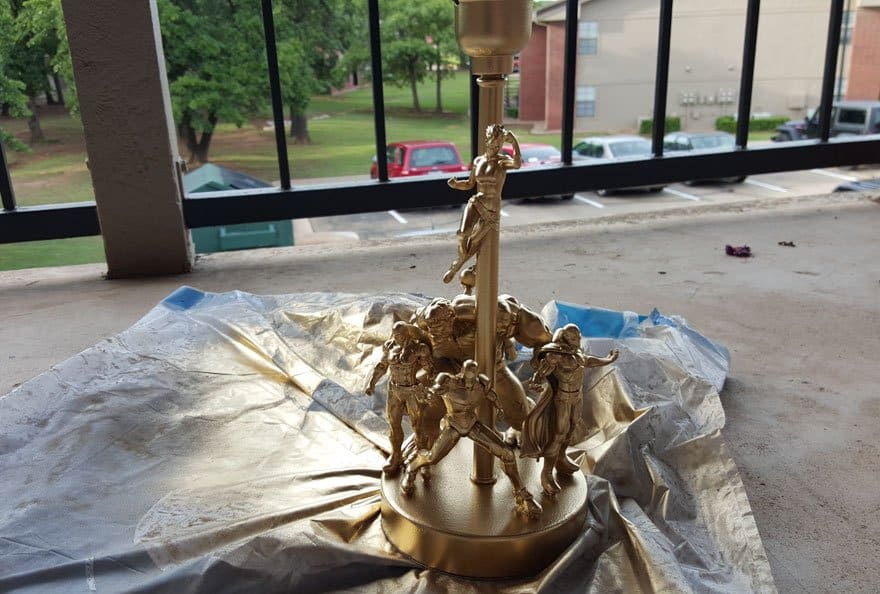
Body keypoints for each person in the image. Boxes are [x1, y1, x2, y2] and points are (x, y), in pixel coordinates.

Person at [400, 360, 542, 520]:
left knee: (507, 454)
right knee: (432, 457)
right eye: (467, 378)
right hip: (453, 426)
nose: (469, 384)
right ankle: (412, 467)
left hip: (473, 425)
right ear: (461, 373)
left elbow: (491, 394)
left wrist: (499, 407)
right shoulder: (448, 381)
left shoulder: (481, 384)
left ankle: (522, 495)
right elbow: (432, 392)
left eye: (472, 378)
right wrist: (422, 395)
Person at [521, 324, 619, 495]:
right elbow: (540, 373)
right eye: (573, 338)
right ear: (564, 338)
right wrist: (535, 382)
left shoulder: (577, 354)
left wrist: (608, 360)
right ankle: (546, 474)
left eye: (578, 337)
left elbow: (589, 361)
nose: (578, 340)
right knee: (558, 434)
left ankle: (561, 458)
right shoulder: (555, 355)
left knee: (571, 430)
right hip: (562, 400)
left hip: (577, 398)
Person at [443, 124, 521, 284]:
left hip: (491, 208)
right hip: (476, 201)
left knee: (475, 241)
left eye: (499, 144)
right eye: (493, 143)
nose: (496, 147)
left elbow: (517, 164)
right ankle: (460, 261)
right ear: (487, 141)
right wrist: (456, 184)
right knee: (462, 234)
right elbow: (470, 184)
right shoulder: (478, 161)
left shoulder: (502, 161)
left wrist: (514, 142)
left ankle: (457, 266)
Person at [366, 322, 443, 474]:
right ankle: (396, 456)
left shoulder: (419, 348)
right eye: (395, 335)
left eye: (400, 335)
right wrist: (372, 383)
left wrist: (434, 388)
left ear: (407, 334)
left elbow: (430, 370)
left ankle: (422, 459)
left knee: (418, 427)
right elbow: (382, 366)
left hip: (412, 391)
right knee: (394, 424)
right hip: (394, 391)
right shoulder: (389, 346)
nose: (397, 338)